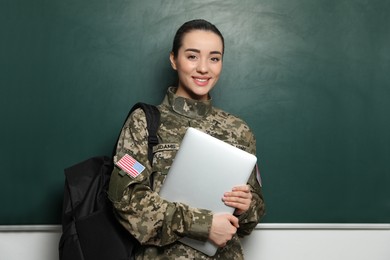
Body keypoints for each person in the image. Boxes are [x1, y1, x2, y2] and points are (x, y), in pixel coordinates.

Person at [108, 19, 265, 259]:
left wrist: (246, 206)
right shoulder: (144, 122)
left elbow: (250, 221)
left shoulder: (240, 130)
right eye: (192, 56)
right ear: (174, 59)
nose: (204, 68)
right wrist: (204, 225)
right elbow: (127, 200)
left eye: (214, 58)